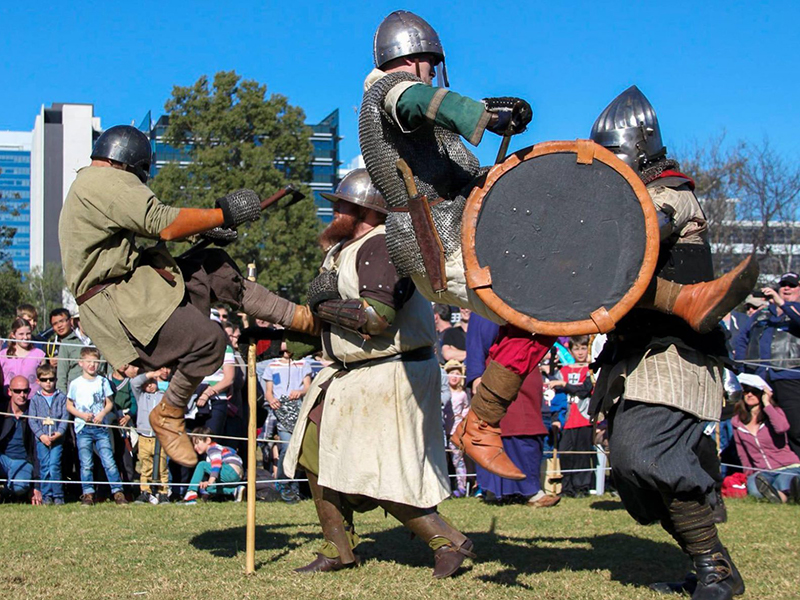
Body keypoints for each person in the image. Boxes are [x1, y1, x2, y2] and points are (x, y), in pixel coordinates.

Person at [359, 12, 756, 481]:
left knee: (560, 290)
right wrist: (478, 113)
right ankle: (481, 424)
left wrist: (495, 118)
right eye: (428, 65)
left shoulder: (422, 122)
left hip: (469, 236)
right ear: (417, 61)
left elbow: (436, 131)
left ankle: (482, 423)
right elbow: (411, 99)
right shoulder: (385, 93)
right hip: (436, 247)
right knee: (557, 292)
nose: (430, 73)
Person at [58, 125, 319, 469]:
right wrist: (222, 214)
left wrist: (205, 227)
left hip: (134, 289)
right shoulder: (106, 181)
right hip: (120, 304)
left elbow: (151, 232)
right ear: (131, 166)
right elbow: (160, 222)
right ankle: (169, 412)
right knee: (210, 341)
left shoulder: (91, 184)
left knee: (212, 266)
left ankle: (301, 318)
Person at [589, 86, 745, 599]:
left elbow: (640, 238)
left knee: (644, 456)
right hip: (635, 358)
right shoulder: (623, 201)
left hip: (676, 355)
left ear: (641, 147)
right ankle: (711, 565)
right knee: (636, 473)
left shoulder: (670, 192)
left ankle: (714, 568)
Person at [281, 169, 474, 577]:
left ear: (365, 209)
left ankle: (448, 541)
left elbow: (374, 319)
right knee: (313, 451)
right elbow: (324, 326)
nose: (333, 210)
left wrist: (321, 306)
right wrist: (269, 328)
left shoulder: (384, 244)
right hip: (354, 378)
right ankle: (338, 547)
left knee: (379, 470)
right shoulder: (343, 251)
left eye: (341, 204)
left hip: (391, 375)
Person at [466, 313, 559, 508]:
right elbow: (476, 339)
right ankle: (495, 490)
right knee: (497, 431)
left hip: (528, 367)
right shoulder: (483, 305)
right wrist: (475, 376)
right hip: (497, 372)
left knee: (528, 430)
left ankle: (530, 489)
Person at [735, 274, 800, 459]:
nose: (786, 288)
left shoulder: (795, 310)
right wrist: (743, 371)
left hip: (791, 378)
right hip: (760, 380)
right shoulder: (761, 314)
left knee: (795, 429)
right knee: (766, 428)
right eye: (783, 285)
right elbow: (742, 340)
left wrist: (783, 304)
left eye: (792, 285)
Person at [66, 347, 128, 506]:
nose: (92, 365)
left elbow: (109, 403)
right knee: (86, 463)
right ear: (81, 363)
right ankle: (88, 493)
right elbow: (69, 405)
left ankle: (118, 492)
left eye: (95, 362)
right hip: (83, 428)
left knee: (108, 460)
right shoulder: (75, 384)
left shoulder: (103, 382)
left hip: (101, 428)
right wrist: (81, 415)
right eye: (88, 362)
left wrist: (101, 414)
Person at [732, 373, 800, 504]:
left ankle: (782, 495)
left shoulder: (774, 413)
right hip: (762, 473)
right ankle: (787, 497)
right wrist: (748, 475)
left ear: (762, 393)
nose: (749, 395)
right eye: (746, 391)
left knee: (783, 482)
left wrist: (767, 403)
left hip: (788, 466)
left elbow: (782, 428)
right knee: (755, 489)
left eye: (754, 391)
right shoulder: (737, 421)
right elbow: (742, 453)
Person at [262, 341, 312, 503]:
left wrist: (300, 392)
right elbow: (268, 392)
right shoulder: (272, 366)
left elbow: (308, 387)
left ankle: (294, 486)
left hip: (299, 411)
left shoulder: (303, 363)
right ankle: (282, 481)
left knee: (298, 450)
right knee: (287, 446)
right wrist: (272, 400)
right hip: (281, 413)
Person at [548, 336, 595, 498]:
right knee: (566, 453)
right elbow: (554, 396)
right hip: (567, 418)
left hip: (583, 417)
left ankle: (582, 486)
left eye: (583, 348)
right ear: (570, 350)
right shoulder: (563, 371)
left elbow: (584, 390)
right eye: (576, 349)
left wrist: (564, 385)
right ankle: (567, 486)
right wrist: (555, 417)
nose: (580, 352)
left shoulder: (590, 369)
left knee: (582, 453)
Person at [27, 364, 68, 505]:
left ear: (56, 379)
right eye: (44, 380)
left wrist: (59, 433)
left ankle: (58, 496)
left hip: (56, 439)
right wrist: (41, 436)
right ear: (38, 381)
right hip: (41, 439)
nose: (48, 382)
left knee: (54, 466)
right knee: (44, 466)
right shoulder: (35, 399)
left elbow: (65, 417)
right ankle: (46, 496)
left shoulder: (61, 397)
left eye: (51, 379)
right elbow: (32, 420)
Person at [131, 368, 171, 504]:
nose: (150, 385)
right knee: (145, 466)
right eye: (147, 383)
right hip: (144, 437)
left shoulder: (163, 395)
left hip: (160, 438)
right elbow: (134, 382)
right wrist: (150, 374)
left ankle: (163, 492)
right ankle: (145, 492)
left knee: (162, 466)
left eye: (152, 382)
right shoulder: (141, 396)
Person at [0, 376, 41, 504]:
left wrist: (37, 486)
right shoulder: (2, 411)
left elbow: (36, 452)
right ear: (9, 392)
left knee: (20, 487)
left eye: (25, 391)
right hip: (2, 459)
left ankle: (7, 492)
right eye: (17, 391)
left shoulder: (33, 412)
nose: (22, 395)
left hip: (23, 461)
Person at [183, 426, 244, 504]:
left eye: (197, 443)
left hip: (230, 471)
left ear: (208, 440)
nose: (195, 447)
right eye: (193, 445)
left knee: (202, 464)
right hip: (237, 475)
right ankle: (235, 491)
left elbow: (216, 464)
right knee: (208, 488)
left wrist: (210, 480)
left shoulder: (213, 449)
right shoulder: (220, 448)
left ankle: (191, 492)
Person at [1, 318, 46, 396]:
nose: (25, 337)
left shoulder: (39, 354)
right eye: (21, 334)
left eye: (28, 334)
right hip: (9, 400)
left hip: (33, 400)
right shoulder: (3, 355)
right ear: (13, 335)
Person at [443, 360, 469, 496]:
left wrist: (462, 419)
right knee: (443, 461)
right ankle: (444, 487)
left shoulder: (462, 394)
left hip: (455, 432)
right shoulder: (442, 393)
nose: (454, 376)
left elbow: (466, 409)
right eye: (451, 373)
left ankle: (461, 486)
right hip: (442, 430)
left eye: (457, 374)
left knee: (457, 460)